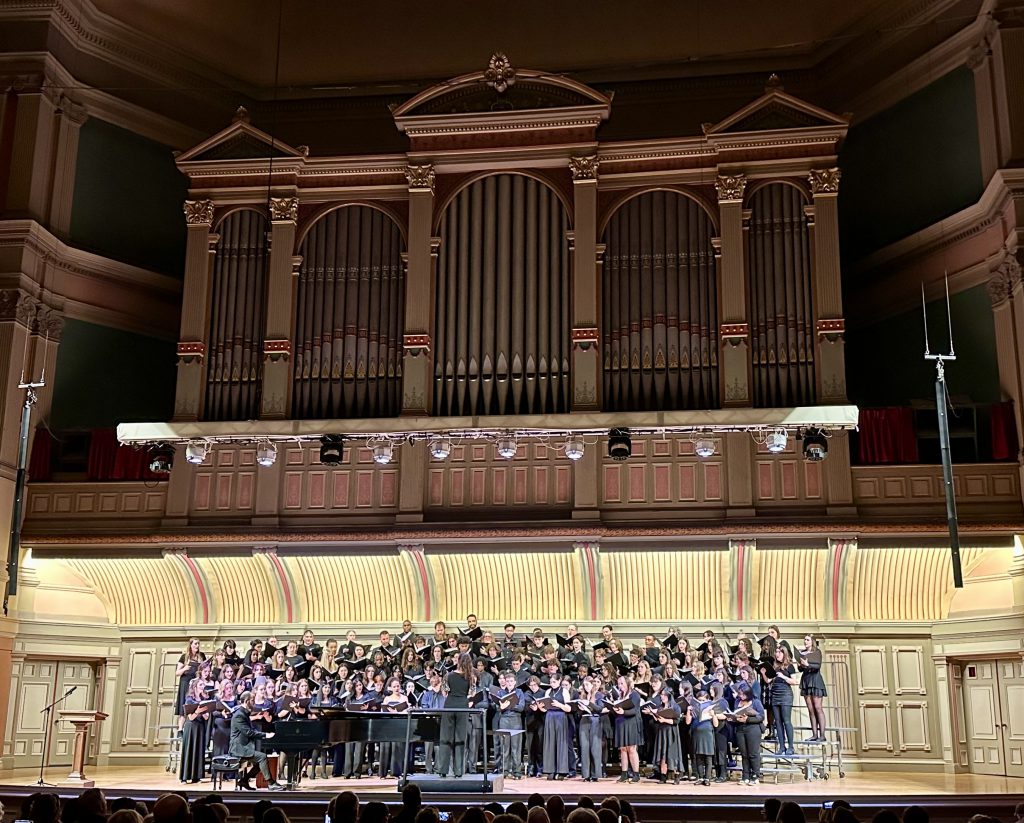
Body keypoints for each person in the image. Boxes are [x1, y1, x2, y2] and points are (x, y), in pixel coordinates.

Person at [231, 690, 282, 790]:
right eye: (252, 700)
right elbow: (248, 732)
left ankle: (244, 780)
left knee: (261, 759)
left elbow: (251, 730)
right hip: (239, 748)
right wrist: (265, 735)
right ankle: (271, 783)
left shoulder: (244, 713)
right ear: (246, 701)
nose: (254, 703)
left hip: (244, 746)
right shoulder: (239, 715)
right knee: (262, 757)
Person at [437, 652, 473, 778]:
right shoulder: (471, 677)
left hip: (449, 706)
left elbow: (444, 692)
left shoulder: (449, 675)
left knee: (445, 737)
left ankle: (442, 770)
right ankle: (458, 771)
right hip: (463, 706)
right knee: (460, 738)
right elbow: (472, 693)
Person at [541, 671, 574, 780]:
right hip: (550, 717)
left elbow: (569, 708)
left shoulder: (564, 691)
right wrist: (540, 706)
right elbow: (545, 708)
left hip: (560, 717)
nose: (552, 684)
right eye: (551, 682)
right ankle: (550, 770)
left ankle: (561, 771)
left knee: (561, 743)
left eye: (554, 682)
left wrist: (559, 704)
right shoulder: (548, 691)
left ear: (559, 681)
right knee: (550, 743)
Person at [730, 683, 765, 786]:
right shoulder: (737, 702)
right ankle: (745, 776)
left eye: (743, 694)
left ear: (748, 694)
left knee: (753, 753)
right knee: (744, 754)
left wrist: (748, 719)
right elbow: (735, 713)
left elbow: (761, 717)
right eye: (740, 694)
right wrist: (734, 718)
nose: (741, 696)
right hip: (740, 729)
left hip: (753, 729)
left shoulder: (755, 702)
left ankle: (755, 775)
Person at [611, 674, 642, 783]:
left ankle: (636, 774)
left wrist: (623, 712)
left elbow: (635, 710)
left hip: (632, 723)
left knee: (631, 749)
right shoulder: (620, 696)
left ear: (628, 684)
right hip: (621, 723)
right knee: (623, 749)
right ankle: (624, 774)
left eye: (622, 683)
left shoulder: (634, 695)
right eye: (619, 684)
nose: (620, 686)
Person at [798, 634, 828, 742]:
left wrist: (808, 664)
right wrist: (801, 664)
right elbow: (800, 669)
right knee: (810, 709)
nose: (805, 642)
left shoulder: (817, 652)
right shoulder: (802, 653)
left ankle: (822, 735)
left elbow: (817, 666)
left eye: (807, 640)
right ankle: (814, 734)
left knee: (818, 708)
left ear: (812, 642)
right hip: (806, 680)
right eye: (804, 640)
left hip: (815, 680)